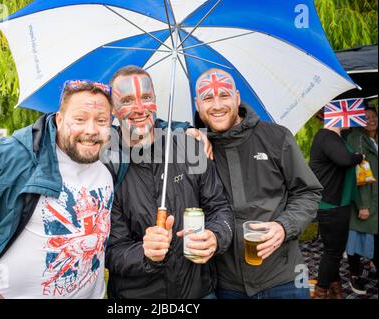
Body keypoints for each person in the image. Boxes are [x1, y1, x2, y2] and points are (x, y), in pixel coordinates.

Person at [0, 80, 115, 299]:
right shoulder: (11, 157)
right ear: (60, 119)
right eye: (80, 119)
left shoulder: (108, 168)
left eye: (101, 120)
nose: (91, 130)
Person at [105, 65, 234, 299]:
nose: (139, 108)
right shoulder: (106, 167)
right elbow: (110, 250)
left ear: (156, 100)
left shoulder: (189, 148)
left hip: (198, 292)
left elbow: (220, 208)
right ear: (113, 110)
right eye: (127, 100)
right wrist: (144, 253)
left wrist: (216, 236)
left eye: (146, 97)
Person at [194, 68, 323, 299]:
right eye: (207, 98)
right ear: (197, 104)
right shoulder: (194, 149)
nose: (217, 105)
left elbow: (308, 192)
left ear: (237, 97)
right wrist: (184, 132)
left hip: (285, 278)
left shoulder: (277, 137)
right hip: (227, 285)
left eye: (224, 95)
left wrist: (284, 226)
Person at [309, 110, 364, 299]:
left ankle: (336, 290)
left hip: (334, 204)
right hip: (332, 205)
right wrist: (359, 157)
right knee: (333, 253)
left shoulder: (333, 137)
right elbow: (345, 159)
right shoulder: (327, 136)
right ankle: (320, 292)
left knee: (331, 251)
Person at [345, 104, 378, 294]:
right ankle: (354, 276)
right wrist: (363, 205)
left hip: (376, 197)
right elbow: (360, 174)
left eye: (374, 116)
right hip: (365, 199)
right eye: (366, 117)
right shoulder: (356, 138)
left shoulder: (374, 139)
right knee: (356, 239)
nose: (371, 120)